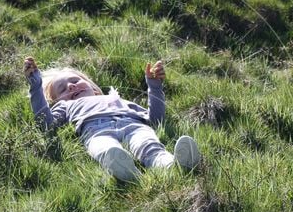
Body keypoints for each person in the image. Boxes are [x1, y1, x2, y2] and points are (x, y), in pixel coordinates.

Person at [24, 56, 200, 182]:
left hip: (133, 124)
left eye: (75, 81)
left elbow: (155, 119)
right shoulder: (67, 106)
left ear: (93, 87)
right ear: (57, 101)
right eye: (62, 89)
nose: (71, 86)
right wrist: (36, 87)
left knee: (148, 145)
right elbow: (46, 125)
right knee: (104, 147)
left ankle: (172, 165)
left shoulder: (117, 99)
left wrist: (154, 86)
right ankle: (121, 167)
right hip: (95, 129)